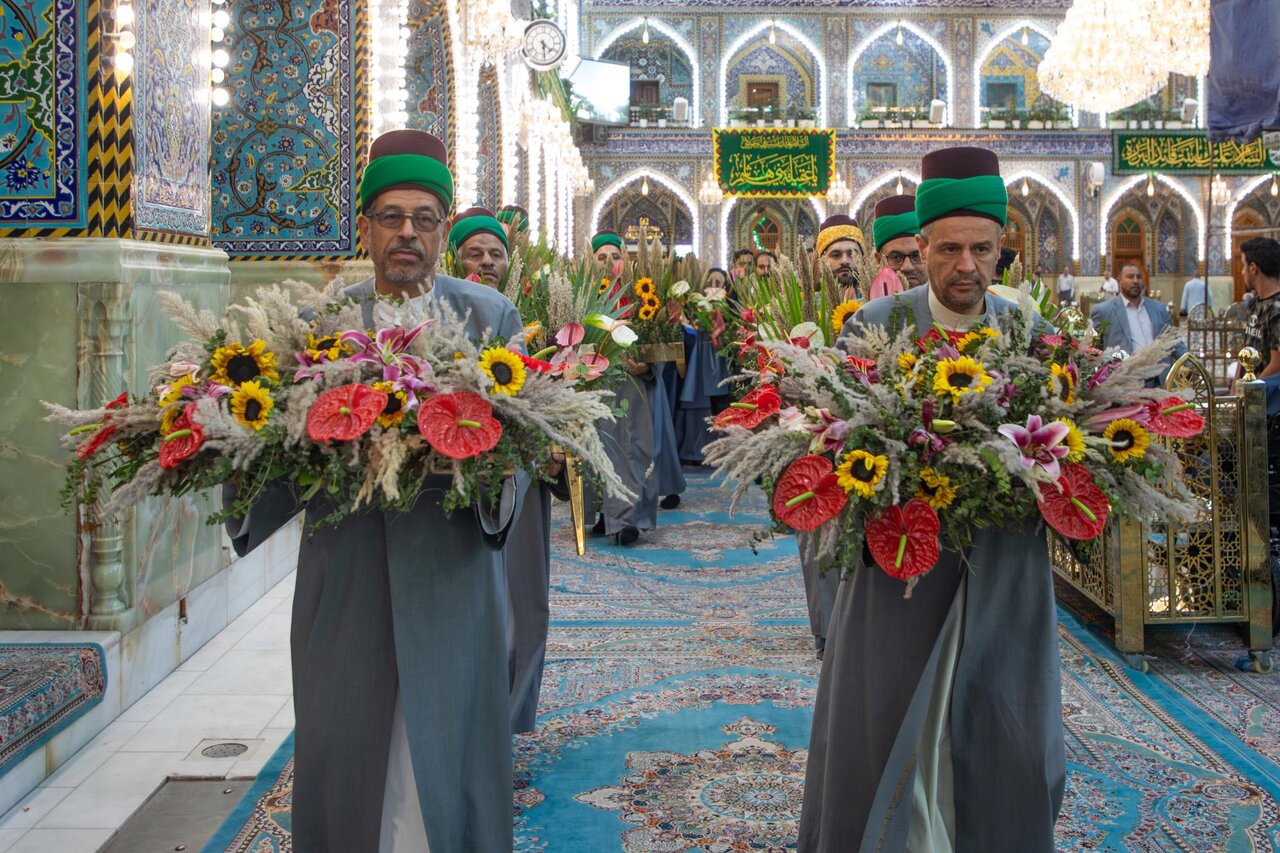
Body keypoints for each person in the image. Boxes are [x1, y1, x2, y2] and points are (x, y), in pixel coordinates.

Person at [225, 129, 523, 851]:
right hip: (347, 567)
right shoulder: (317, 323)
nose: (407, 234)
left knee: (452, 740)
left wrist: (465, 459)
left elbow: (518, 447)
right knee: (344, 733)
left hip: (450, 569)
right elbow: (274, 447)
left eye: (425, 219)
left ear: (445, 229)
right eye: (391, 216)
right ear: (365, 225)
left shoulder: (491, 317)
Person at [803, 146, 1065, 852]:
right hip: (900, 573)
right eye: (948, 248)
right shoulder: (874, 326)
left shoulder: (1031, 333)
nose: (965, 267)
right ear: (921, 246)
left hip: (1004, 571)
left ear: (1002, 246)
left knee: (1004, 731)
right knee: (887, 722)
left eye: (981, 248)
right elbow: (835, 439)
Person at [451, 206, 567, 735]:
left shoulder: (532, 309)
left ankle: (511, 713)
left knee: (522, 599)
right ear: (455, 257)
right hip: (455, 473)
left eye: (495, 253)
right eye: (475, 252)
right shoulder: (439, 314)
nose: (487, 261)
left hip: (519, 473)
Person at [589, 230, 659, 545]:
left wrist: (647, 364)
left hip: (634, 386)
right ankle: (612, 515)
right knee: (603, 447)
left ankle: (630, 516)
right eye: (601, 257)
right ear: (591, 262)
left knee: (636, 447)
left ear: (625, 261)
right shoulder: (582, 296)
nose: (609, 263)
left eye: (615, 257)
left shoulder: (640, 297)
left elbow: (658, 340)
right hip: (597, 383)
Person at [1090, 262, 1187, 385]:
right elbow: (1093, 349)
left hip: (1159, 381)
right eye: (1130, 277)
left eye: (1139, 277)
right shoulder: (1104, 311)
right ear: (1119, 280)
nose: (1135, 281)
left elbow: (1174, 340)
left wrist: (1190, 364)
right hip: (1124, 385)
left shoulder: (1158, 308)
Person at [675, 268, 732, 463]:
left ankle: (723, 448)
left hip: (720, 353)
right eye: (712, 279)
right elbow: (690, 324)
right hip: (701, 351)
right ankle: (695, 448)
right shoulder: (697, 299)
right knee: (698, 400)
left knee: (721, 400)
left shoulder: (728, 300)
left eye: (719, 280)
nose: (715, 283)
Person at [1240, 237, 1280, 378]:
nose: (1242, 272)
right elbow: (1245, 353)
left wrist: (1250, 393)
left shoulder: (1276, 309)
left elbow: (1277, 363)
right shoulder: (1255, 303)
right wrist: (1236, 391)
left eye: (1244, 266)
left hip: (1268, 396)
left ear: (1253, 268)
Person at [871, 194, 923, 297]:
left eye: (916, 256)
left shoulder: (952, 309)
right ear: (878, 260)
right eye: (896, 257)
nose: (907, 267)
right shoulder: (863, 311)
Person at [449, 206, 510, 287]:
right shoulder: (439, 299)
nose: (488, 261)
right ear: (455, 265)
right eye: (475, 255)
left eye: (496, 255)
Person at [816, 214, 867, 301]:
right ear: (820, 264)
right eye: (836, 255)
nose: (844, 261)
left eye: (852, 254)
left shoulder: (874, 302)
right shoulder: (808, 306)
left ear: (863, 262)